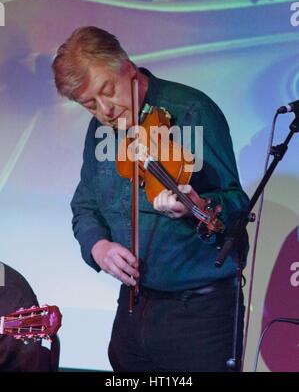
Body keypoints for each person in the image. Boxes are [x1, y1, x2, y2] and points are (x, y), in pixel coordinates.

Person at [52, 26, 249, 372]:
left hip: (198, 315)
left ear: (127, 66)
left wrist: (198, 207)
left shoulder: (191, 112)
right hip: (132, 309)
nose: (105, 111)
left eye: (107, 91)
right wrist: (98, 247)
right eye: (89, 105)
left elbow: (235, 201)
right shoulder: (100, 130)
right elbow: (85, 206)